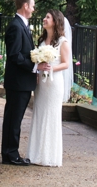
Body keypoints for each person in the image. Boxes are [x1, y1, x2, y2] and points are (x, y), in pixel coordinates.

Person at [27, 10, 72, 167]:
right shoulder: (42, 40)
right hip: (42, 84)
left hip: (54, 84)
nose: (44, 19)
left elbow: (66, 63)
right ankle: (35, 154)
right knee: (39, 114)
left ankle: (49, 156)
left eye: (48, 17)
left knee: (51, 116)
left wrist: (51, 68)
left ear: (55, 21)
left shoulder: (62, 42)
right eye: (45, 17)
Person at [1, 0, 38, 165]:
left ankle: (10, 153)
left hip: (20, 82)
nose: (33, 9)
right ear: (25, 6)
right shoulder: (16, 26)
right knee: (13, 120)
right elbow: (15, 55)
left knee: (14, 119)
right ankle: (11, 154)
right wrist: (35, 67)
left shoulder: (21, 25)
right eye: (32, 5)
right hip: (17, 82)